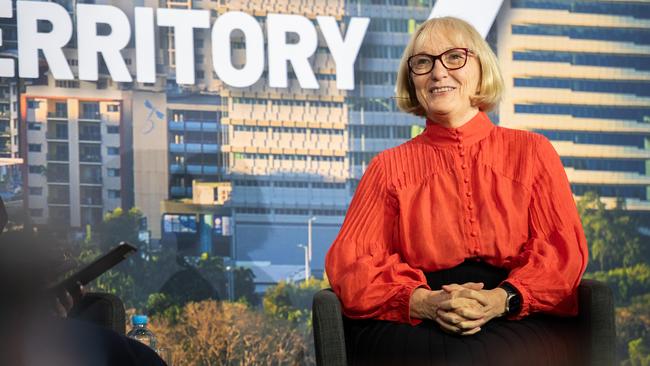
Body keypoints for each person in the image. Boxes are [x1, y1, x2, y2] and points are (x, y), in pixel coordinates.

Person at [325, 16, 588, 366]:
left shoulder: (533, 152)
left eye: (454, 57)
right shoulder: (387, 167)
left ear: (481, 67)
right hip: (416, 317)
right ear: (412, 79)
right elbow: (351, 265)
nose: (438, 73)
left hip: (514, 311)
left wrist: (500, 300)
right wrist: (424, 302)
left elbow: (562, 254)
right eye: (423, 63)